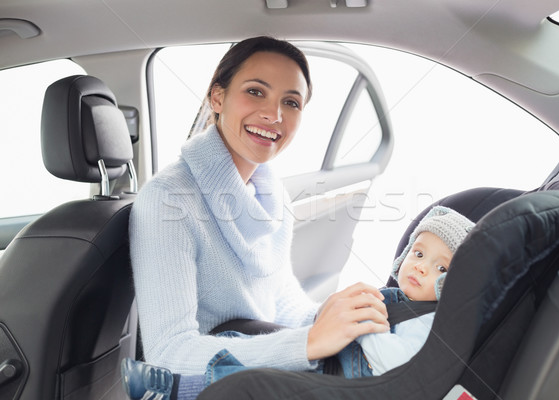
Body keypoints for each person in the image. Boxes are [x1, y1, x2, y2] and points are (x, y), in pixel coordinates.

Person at [127, 36, 390, 400]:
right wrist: (308, 343)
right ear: (217, 97)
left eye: (291, 102)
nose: (274, 115)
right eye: (255, 92)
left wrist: (332, 315)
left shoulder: (271, 195)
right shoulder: (168, 199)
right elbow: (169, 356)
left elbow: (279, 301)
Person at [122, 206, 475, 399]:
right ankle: (172, 384)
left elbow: (400, 361)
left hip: (354, 378)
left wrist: (363, 329)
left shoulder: (432, 321)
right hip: (342, 361)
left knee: (260, 377)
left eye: (440, 267)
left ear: (452, 285)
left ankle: (171, 387)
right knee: (239, 346)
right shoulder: (395, 296)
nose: (421, 268)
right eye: (418, 253)